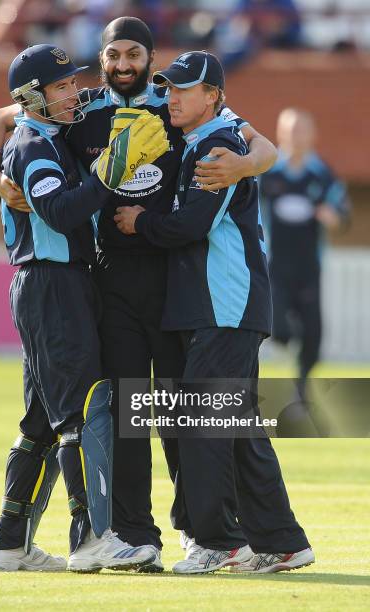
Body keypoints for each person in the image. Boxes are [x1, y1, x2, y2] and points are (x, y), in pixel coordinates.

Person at [0, 17, 277, 571]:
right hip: (106, 279)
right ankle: (134, 536)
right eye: (112, 53)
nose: (121, 64)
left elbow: (261, 142)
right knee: (122, 411)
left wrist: (250, 162)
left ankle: (198, 532)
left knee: (176, 411)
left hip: (172, 278)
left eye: (133, 53)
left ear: (150, 57)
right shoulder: (79, 105)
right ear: (103, 56)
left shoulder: (175, 102)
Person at [115, 51, 314, 574]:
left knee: (202, 422)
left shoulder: (219, 144)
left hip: (225, 306)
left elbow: (190, 227)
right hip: (218, 307)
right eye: (169, 88)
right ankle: (282, 541)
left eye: (183, 90)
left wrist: (139, 221)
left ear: (213, 96)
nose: (171, 97)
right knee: (238, 428)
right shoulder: (211, 134)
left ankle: (220, 541)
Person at [0, 43, 168, 572]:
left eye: (71, 84)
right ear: (31, 97)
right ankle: (89, 539)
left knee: (42, 419)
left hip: (59, 285)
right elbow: (62, 214)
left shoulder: (52, 135)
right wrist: (110, 171)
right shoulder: (32, 146)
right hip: (51, 284)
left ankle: (8, 543)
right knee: (80, 411)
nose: (72, 95)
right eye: (61, 88)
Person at [260, 108, 349, 401]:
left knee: (313, 335)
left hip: (310, 265)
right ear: (280, 133)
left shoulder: (322, 175)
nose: (296, 136)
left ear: (312, 135)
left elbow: (343, 214)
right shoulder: (267, 172)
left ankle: (301, 388)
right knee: (280, 328)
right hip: (274, 264)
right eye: (290, 130)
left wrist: (333, 217)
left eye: (301, 130)